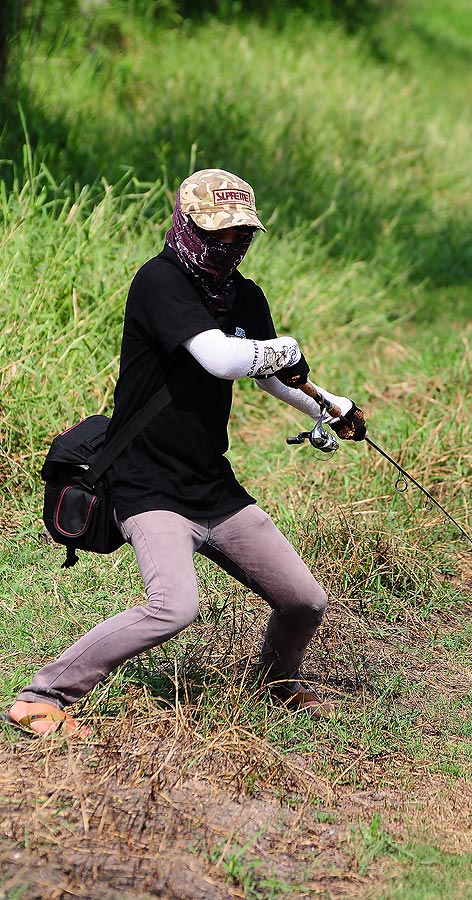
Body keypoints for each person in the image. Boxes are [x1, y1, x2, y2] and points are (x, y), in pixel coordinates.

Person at [8, 169, 366, 736]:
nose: (226, 248)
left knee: (304, 601)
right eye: (214, 234)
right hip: (148, 485)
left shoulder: (245, 295)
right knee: (174, 607)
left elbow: (272, 377)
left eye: (238, 237)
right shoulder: (160, 282)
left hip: (211, 484)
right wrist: (285, 347)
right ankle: (42, 693)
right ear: (185, 223)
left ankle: (277, 686)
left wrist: (328, 406)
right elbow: (223, 359)